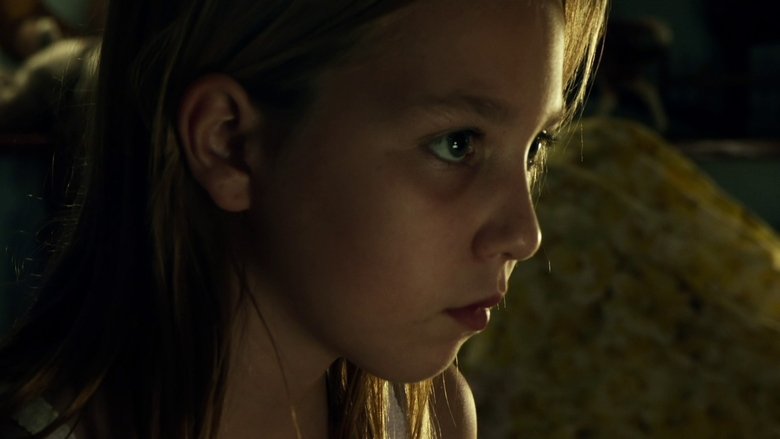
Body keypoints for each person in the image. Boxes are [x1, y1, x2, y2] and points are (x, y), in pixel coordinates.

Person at [0, 0, 608, 437]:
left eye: (536, 147)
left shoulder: (430, 417)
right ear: (228, 143)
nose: (525, 235)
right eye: (457, 144)